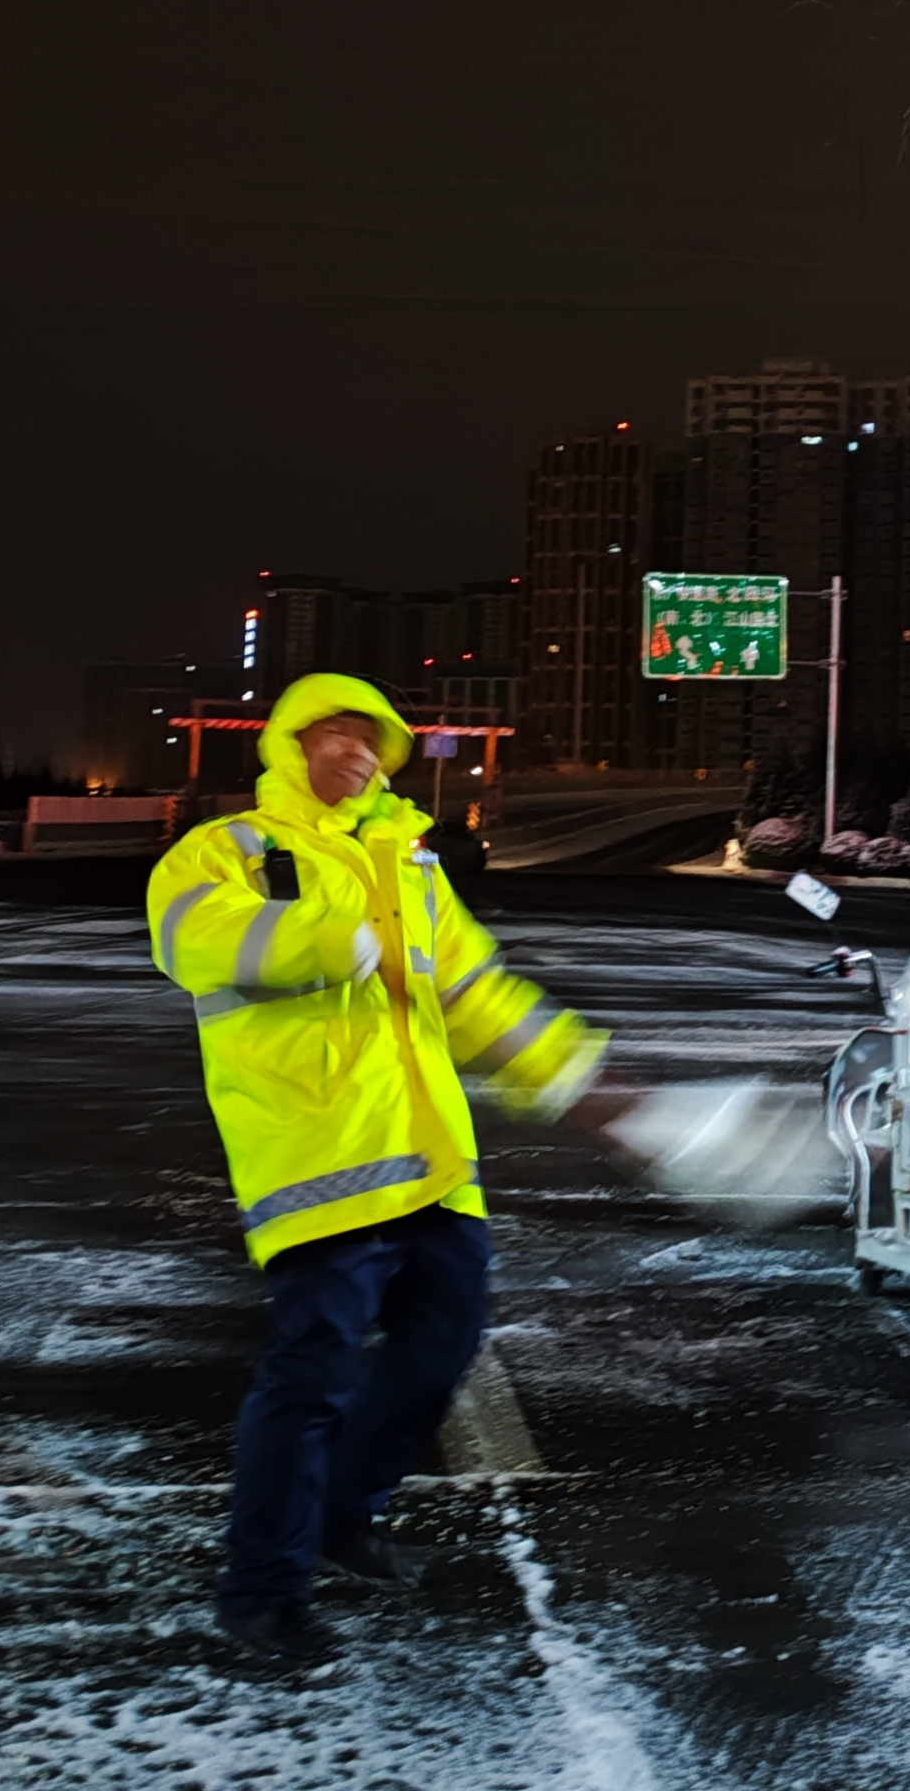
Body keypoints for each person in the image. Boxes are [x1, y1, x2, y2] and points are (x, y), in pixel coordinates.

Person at [144, 673, 607, 1663]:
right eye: (337, 735)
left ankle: (345, 1517)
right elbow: (189, 940)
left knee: (444, 1343)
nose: (356, 754)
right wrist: (333, 938)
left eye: (374, 741)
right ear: (288, 744)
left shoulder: (411, 863)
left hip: (432, 1155)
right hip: (319, 1153)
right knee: (309, 1375)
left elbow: (475, 989)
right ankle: (261, 1591)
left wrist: (575, 1071)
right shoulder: (229, 852)